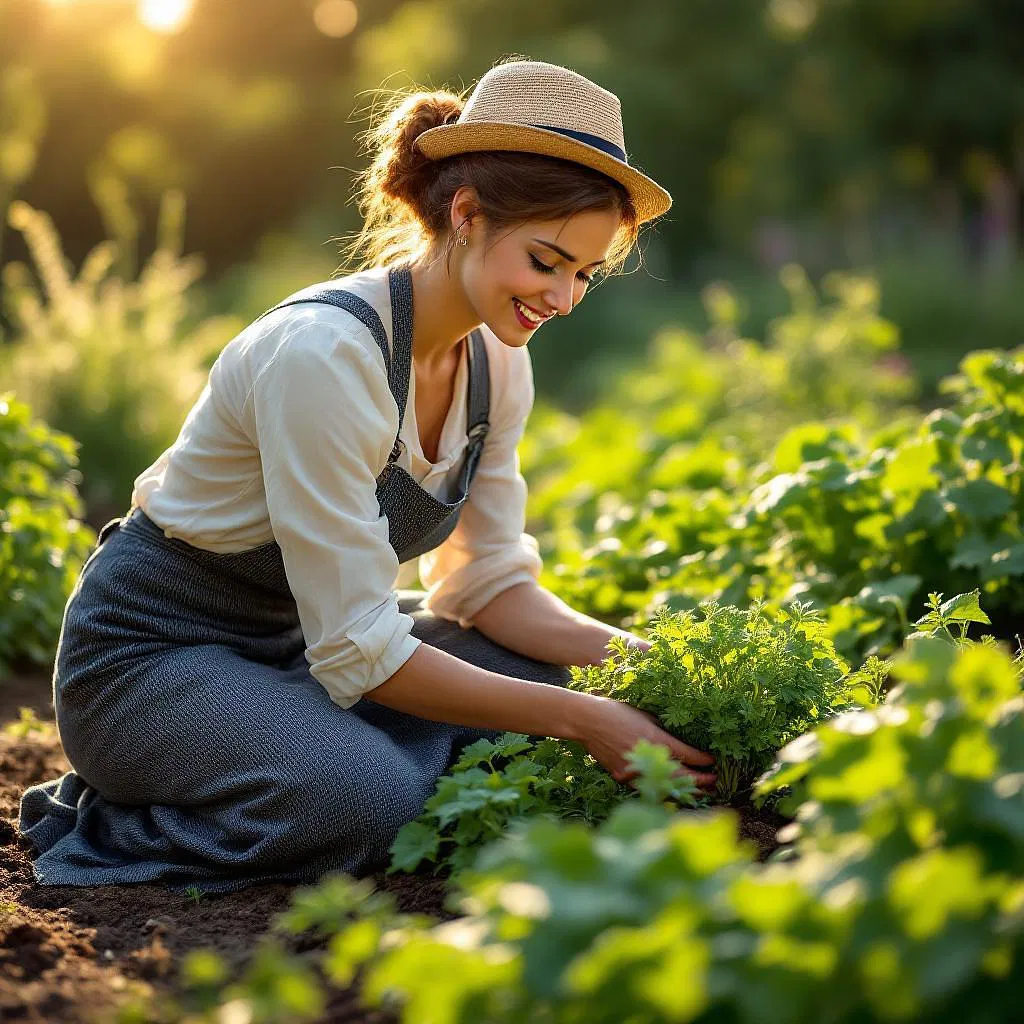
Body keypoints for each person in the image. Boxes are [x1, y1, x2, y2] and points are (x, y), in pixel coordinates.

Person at [19, 58, 715, 895]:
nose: (563, 299)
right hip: (158, 653)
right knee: (365, 797)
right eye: (546, 261)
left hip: (306, 646)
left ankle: (321, 744)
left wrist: (649, 661)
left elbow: (485, 586)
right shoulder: (326, 355)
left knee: (569, 685)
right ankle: (124, 809)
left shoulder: (497, 360)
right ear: (466, 213)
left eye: (583, 275)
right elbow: (357, 646)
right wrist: (580, 719)